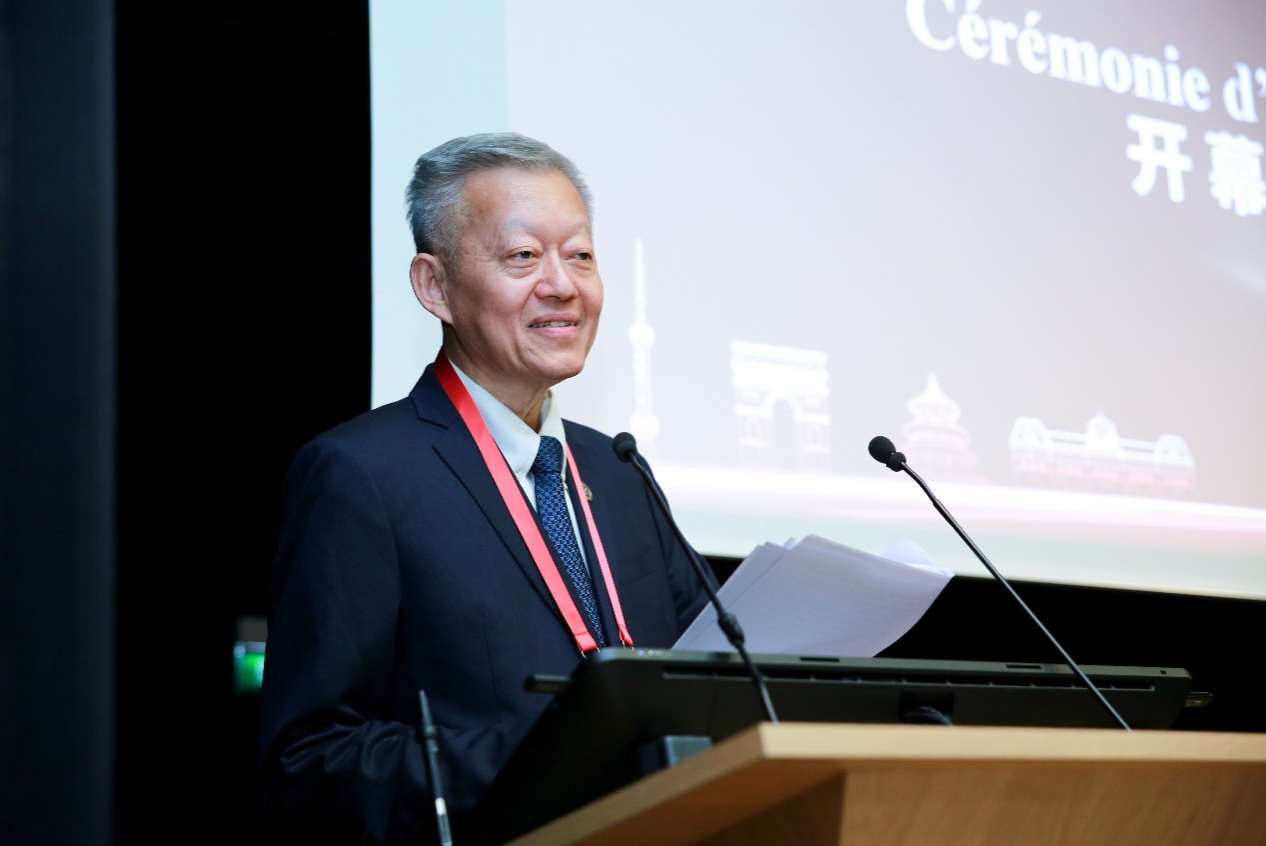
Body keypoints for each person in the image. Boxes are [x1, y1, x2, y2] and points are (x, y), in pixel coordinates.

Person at [257, 132, 712, 845]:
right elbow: (312, 760)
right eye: (523, 256)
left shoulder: (619, 472)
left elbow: (709, 684)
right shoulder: (361, 475)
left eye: (580, 255)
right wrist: (568, 755)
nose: (562, 284)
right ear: (434, 287)